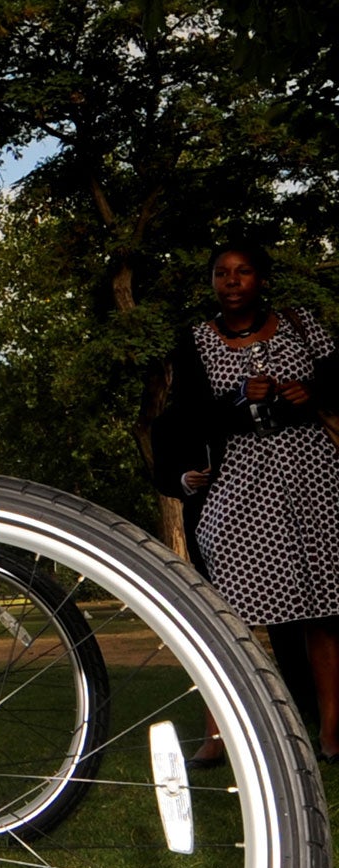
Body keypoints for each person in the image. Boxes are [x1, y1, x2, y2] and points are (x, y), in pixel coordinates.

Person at [154, 243, 339, 763]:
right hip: (241, 481)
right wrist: (239, 399)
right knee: (227, 610)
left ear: (261, 279)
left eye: (243, 272)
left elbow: (337, 375)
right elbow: (186, 417)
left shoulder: (302, 324)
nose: (232, 281)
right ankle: (219, 734)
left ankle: (330, 730)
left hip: (314, 475)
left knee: (324, 607)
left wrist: (309, 388)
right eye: (221, 274)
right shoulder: (194, 341)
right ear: (212, 283)